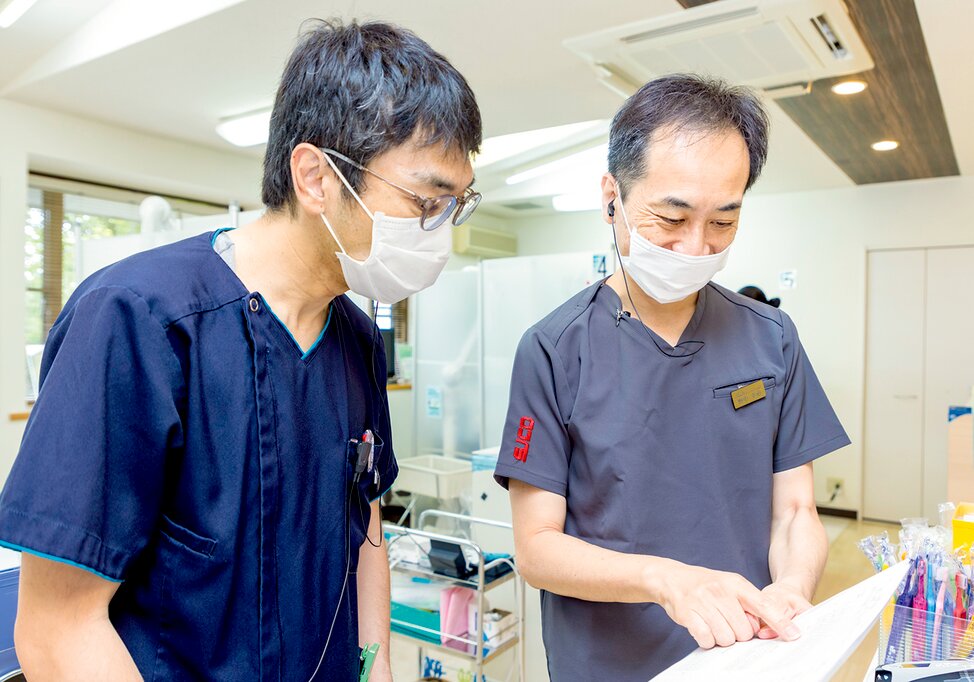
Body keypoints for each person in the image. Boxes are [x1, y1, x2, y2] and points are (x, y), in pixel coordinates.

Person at [0, 20, 481, 680]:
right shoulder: (138, 321)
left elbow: (365, 524)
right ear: (315, 177)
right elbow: (57, 629)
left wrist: (378, 666)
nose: (440, 233)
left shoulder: (358, 342)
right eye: (426, 202)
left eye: (455, 206)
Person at [493, 74, 849, 680]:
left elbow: (794, 513)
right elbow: (537, 550)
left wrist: (793, 586)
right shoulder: (554, 349)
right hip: (607, 662)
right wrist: (663, 579)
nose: (694, 248)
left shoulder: (772, 338)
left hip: (743, 653)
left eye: (723, 222)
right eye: (671, 217)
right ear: (613, 195)